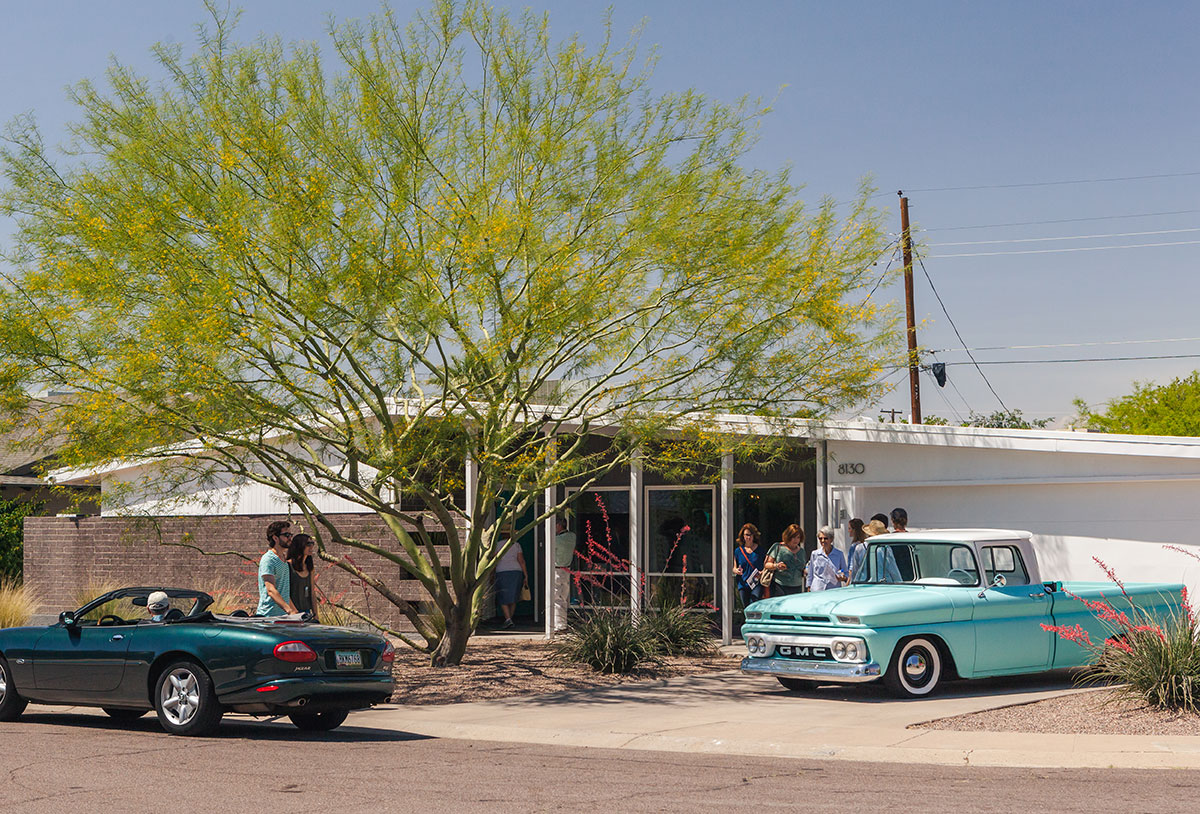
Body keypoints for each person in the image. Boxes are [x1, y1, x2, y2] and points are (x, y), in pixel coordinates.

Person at [257, 520, 298, 617]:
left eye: (291, 535)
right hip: (268, 617)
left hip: (283, 616)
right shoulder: (268, 559)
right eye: (287, 535)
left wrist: (294, 611)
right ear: (275, 538)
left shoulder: (283, 559)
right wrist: (289, 610)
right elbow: (271, 590)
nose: (290, 538)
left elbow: (283, 591)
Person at [494, 525, 528, 630]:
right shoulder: (516, 545)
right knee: (514, 597)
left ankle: (508, 619)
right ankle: (509, 619)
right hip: (516, 572)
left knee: (502, 596)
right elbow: (521, 561)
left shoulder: (497, 545)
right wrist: (526, 575)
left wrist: (491, 574)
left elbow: (494, 561)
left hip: (501, 571)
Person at [764, 524, 808, 596]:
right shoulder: (778, 547)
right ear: (788, 536)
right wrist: (776, 566)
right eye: (793, 537)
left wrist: (805, 571)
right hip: (780, 585)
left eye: (798, 537)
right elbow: (767, 564)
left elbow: (803, 567)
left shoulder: (802, 551)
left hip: (797, 587)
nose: (796, 540)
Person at [732, 523, 766, 610]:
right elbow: (734, 567)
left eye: (751, 535)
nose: (749, 537)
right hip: (743, 582)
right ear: (743, 536)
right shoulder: (738, 551)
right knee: (746, 607)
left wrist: (761, 573)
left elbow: (765, 566)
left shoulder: (760, 551)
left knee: (754, 604)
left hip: (756, 582)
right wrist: (737, 571)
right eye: (746, 535)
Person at [287, 532, 318, 622]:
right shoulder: (288, 566)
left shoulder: (309, 567)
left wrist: (316, 615)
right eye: (308, 544)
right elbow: (285, 592)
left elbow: (312, 592)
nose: (311, 547)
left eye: (312, 544)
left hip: (306, 612)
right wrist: (294, 612)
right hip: (292, 613)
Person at [552, 516, 576, 631]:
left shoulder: (557, 540)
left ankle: (560, 625)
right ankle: (562, 622)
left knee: (557, 597)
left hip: (557, 569)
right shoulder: (572, 536)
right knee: (564, 597)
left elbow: (551, 546)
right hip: (567, 568)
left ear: (558, 525)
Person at [806, 525, 848, 592]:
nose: (823, 541)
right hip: (817, 589)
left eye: (825, 538)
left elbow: (846, 573)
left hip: (833, 590)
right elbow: (810, 573)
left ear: (831, 539)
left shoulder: (839, 554)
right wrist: (809, 587)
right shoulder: (815, 554)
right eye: (820, 538)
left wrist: (842, 577)